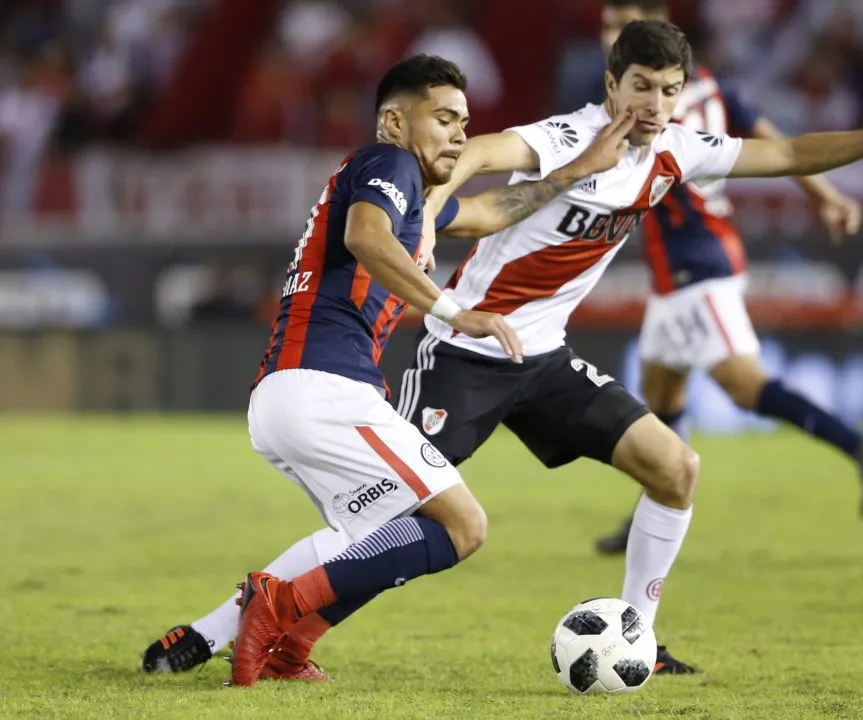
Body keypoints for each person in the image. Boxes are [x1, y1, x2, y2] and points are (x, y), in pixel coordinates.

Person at [390, 20, 863, 675]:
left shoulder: (678, 149)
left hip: (542, 359)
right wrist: (429, 212)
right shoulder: (568, 136)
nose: (655, 105)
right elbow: (481, 153)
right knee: (392, 503)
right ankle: (284, 610)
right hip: (466, 352)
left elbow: (790, 155)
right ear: (610, 84)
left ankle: (638, 638)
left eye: (669, 90)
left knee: (676, 469)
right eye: (642, 87)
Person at [140, 54, 636, 682]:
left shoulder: (409, 197)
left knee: (372, 535)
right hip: (326, 388)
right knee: (462, 524)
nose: (460, 133)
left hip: (287, 397)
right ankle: (276, 606)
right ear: (395, 122)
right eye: (444, 118)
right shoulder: (386, 163)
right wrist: (458, 313)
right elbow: (366, 239)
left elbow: (491, 212)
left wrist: (576, 172)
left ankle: (236, 638)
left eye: (465, 122)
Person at [591, 0, 863, 558]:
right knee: (662, 392)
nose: (610, 35)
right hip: (681, 266)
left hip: (696, 259)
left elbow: (774, 150)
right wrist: (829, 197)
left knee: (744, 386)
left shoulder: (645, 106)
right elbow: (772, 144)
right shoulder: (710, 85)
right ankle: (654, 509)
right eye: (607, 26)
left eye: (620, 26)